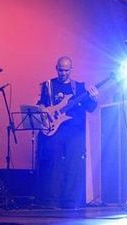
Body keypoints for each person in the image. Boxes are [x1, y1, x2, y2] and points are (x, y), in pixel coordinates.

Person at [36, 56, 98, 209]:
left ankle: (70, 201)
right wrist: (43, 110)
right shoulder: (48, 85)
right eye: (60, 70)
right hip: (54, 130)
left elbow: (90, 108)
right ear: (56, 68)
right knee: (53, 165)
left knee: (74, 163)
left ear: (71, 69)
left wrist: (94, 99)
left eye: (66, 70)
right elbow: (41, 105)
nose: (63, 73)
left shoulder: (79, 87)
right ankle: (52, 200)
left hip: (75, 131)